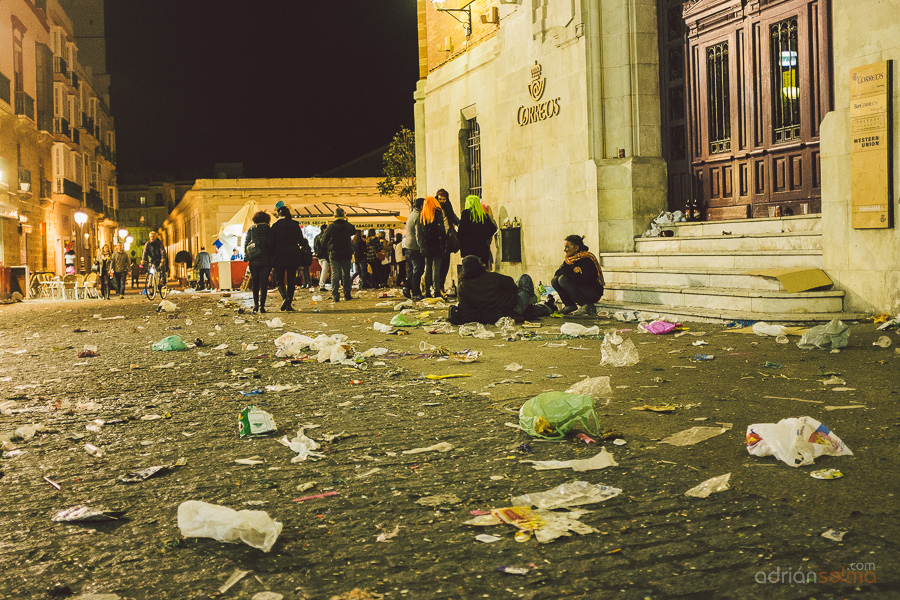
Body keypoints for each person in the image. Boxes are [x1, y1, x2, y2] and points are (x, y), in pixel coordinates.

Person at [449, 255, 553, 325]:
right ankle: (531, 302)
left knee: (526, 307)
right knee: (524, 278)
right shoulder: (492, 277)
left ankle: (544, 308)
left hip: (498, 314)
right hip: (514, 306)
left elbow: (466, 307)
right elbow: (512, 285)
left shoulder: (462, 287)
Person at [551, 234, 605, 316]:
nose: (565, 250)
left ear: (576, 248)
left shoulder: (587, 259)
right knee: (555, 280)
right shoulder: (569, 259)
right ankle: (570, 305)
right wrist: (571, 270)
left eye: (567, 247)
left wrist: (567, 270)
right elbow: (558, 272)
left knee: (563, 279)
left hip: (592, 292)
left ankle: (587, 306)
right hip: (582, 287)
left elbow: (580, 280)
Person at [269, 205, 305, 311]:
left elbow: (270, 243)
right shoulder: (294, 224)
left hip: (279, 257)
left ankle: (285, 298)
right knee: (291, 280)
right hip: (293, 256)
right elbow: (301, 241)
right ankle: (288, 303)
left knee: (279, 280)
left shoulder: (275, 226)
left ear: (279, 214)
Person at [322, 207, 357, 302]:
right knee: (346, 274)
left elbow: (323, 240)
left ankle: (335, 295)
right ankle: (347, 294)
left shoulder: (331, 226)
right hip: (346, 253)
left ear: (334, 215)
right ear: (344, 215)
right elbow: (353, 231)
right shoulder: (349, 226)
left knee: (335, 274)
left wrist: (329, 247)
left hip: (334, 254)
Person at [243, 211, 273, 313]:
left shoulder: (251, 229)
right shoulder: (269, 229)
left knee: (255, 283)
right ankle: (262, 306)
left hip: (254, 260)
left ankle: (255, 305)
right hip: (266, 260)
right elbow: (272, 244)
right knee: (264, 283)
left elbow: (246, 244)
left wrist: (247, 257)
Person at [457, 194, 497, 268]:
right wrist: (485, 236)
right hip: (481, 247)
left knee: (470, 268)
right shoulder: (483, 215)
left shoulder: (466, 213)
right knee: (481, 268)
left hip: (468, 247)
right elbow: (493, 228)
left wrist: (459, 239)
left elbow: (461, 230)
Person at [420, 196, 447, 298]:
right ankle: (436, 290)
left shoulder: (423, 215)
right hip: (437, 244)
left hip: (427, 245)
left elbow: (421, 233)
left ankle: (427, 291)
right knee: (436, 268)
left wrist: (422, 247)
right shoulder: (437, 213)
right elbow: (442, 230)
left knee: (428, 269)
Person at [435, 189, 459, 294]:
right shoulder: (434, 209)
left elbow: (455, 219)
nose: (442, 201)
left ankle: (441, 286)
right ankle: (436, 287)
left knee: (445, 266)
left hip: (447, 242)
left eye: (444, 199)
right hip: (437, 242)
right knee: (437, 267)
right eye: (440, 199)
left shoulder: (448, 209)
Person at [402, 198, 425, 300]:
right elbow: (418, 234)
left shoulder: (411, 215)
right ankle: (415, 292)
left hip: (408, 246)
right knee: (418, 271)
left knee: (412, 270)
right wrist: (422, 247)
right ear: (421, 206)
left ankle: (407, 287)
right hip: (415, 247)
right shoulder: (418, 216)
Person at [313, 224, 329, 291]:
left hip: (319, 256)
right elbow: (326, 247)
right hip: (324, 256)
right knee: (324, 271)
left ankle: (321, 284)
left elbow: (315, 247)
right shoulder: (325, 237)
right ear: (324, 229)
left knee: (323, 270)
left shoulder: (316, 237)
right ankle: (321, 285)